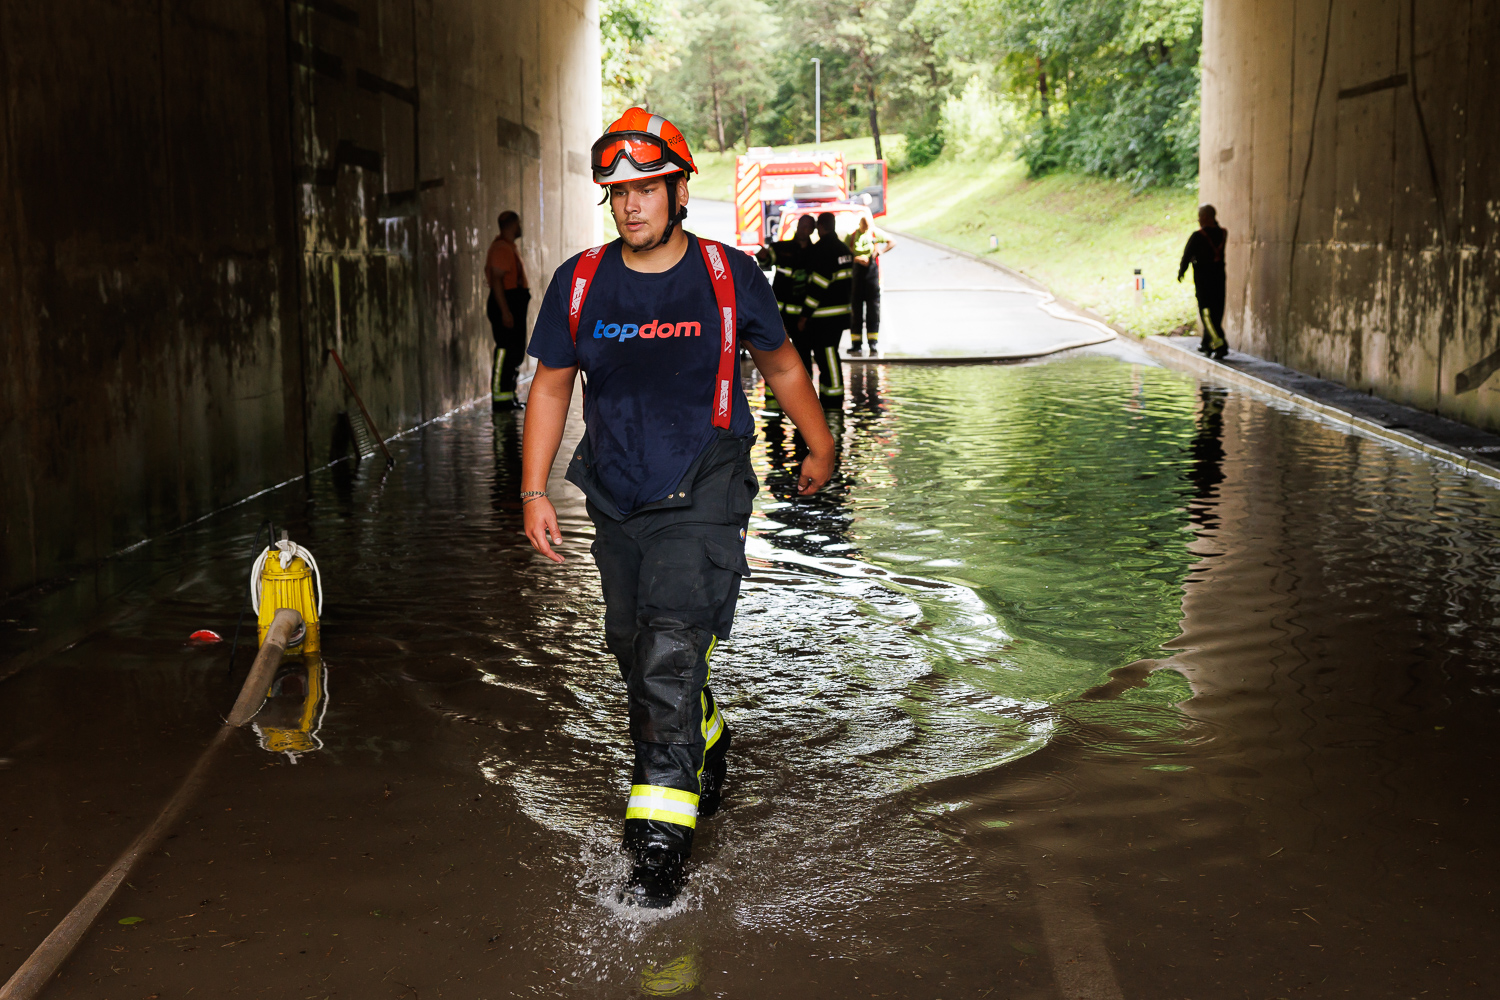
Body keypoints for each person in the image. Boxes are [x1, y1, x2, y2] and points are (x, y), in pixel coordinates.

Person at [520, 108, 836, 908]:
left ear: (679, 189)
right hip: (617, 492)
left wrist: (819, 442)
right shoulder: (582, 281)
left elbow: (783, 362)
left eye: (647, 189)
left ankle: (658, 847)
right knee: (633, 647)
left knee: (666, 651)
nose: (631, 206)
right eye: (618, 192)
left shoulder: (729, 276)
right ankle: (706, 728)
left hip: (705, 489)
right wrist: (533, 490)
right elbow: (553, 385)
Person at [756, 215, 817, 413]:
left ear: (812, 230)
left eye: (807, 226)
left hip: (802, 317)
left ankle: (804, 400)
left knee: (803, 357)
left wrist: (805, 316)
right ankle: (773, 401)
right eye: (801, 225)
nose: (802, 229)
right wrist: (763, 256)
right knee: (774, 355)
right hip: (780, 313)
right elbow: (768, 260)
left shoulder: (816, 252)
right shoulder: (782, 247)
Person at [803, 212, 854, 408]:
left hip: (824, 315)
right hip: (840, 314)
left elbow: (818, 285)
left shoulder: (823, 250)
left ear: (820, 227)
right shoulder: (843, 248)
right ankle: (830, 396)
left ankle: (833, 398)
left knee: (828, 354)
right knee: (829, 353)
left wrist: (805, 314)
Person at [486, 210, 530, 409]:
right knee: (505, 350)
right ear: (513, 225)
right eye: (519, 223)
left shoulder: (508, 247)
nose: (521, 227)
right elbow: (496, 280)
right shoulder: (501, 248)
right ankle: (500, 399)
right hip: (507, 302)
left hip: (513, 302)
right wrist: (505, 311)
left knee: (514, 351)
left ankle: (508, 395)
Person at [1177, 205, 1229, 360]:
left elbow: (1186, 255)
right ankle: (1206, 343)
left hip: (1204, 281)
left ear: (1206, 217)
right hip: (1219, 278)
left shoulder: (1198, 236)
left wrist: (1182, 272)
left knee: (1206, 314)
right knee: (1217, 311)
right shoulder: (1223, 233)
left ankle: (1220, 345)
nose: (1198, 219)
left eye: (1200, 216)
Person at [845, 215, 895, 356]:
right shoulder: (852, 236)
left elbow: (892, 242)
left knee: (873, 310)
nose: (866, 227)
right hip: (857, 275)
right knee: (856, 311)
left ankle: (873, 343)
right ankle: (856, 344)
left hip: (871, 276)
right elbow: (845, 250)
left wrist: (879, 252)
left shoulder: (874, 233)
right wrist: (856, 258)